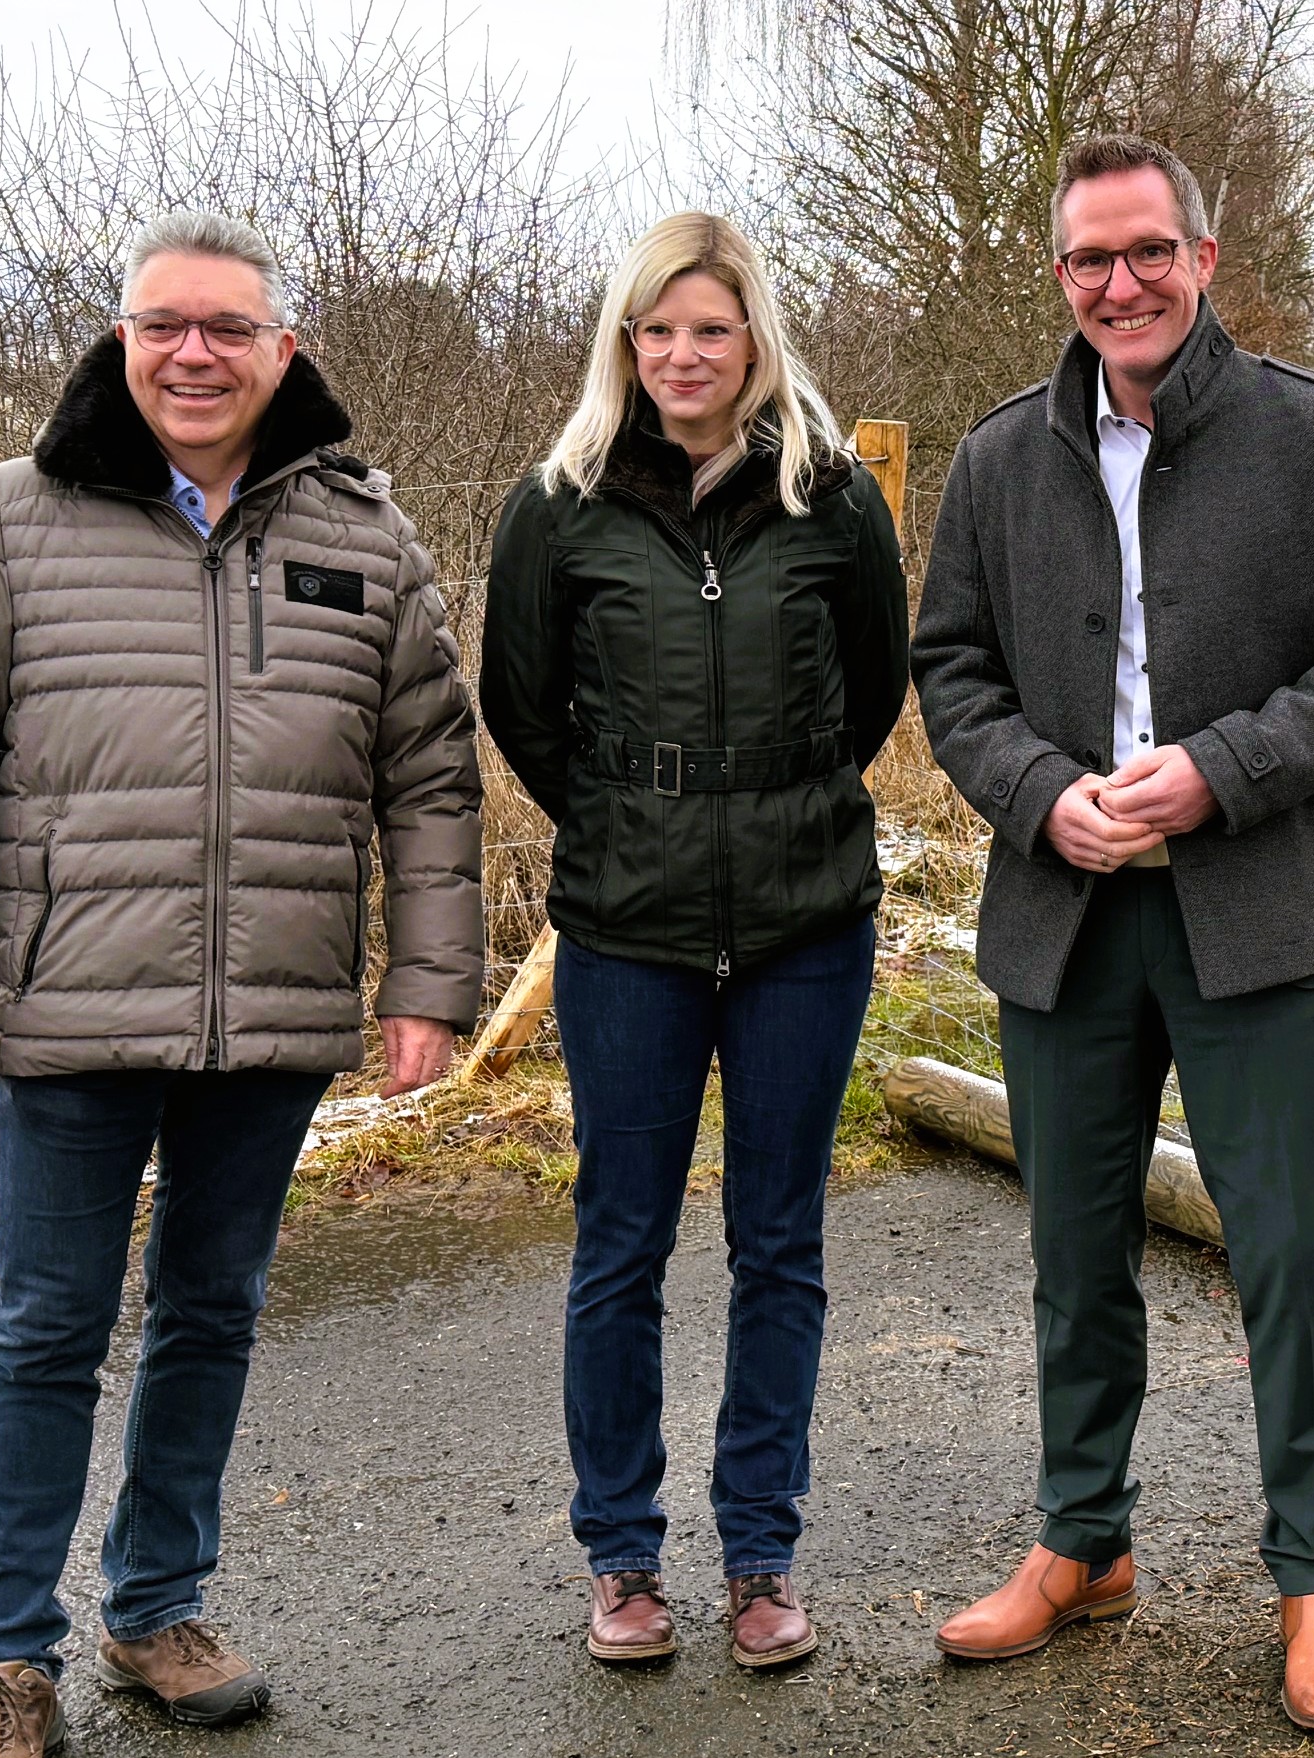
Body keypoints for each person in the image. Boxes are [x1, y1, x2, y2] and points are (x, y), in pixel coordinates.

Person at [0, 211, 483, 1758]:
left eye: (226, 327)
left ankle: (155, 1610)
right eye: (160, 326)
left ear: (285, 346)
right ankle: (9, 1663)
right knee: (46, 1332)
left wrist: (426, 982)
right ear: (120, 341)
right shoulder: (6, 521)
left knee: (213, 1309)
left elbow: (430, 777)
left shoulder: (363, 533)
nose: (192, 354)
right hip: (64, 1007)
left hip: (268, 1009)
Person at [911, 135, 1314, 1729]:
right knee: (1078, 1258)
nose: (1119, 285)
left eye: (1147, 253)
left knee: (1285, 1259)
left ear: (1203, 260)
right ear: (1059, 276)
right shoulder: (1002, 459)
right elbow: (952, 673)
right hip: (1067, 923)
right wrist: (1033, 794)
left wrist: (1223, 770)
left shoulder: (1313, 434)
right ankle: (1086, 1545)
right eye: (1089, 261)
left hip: (1259, 916)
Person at [481, 212, 908, 1670]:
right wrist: (634, 818)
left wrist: (767, 805)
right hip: (630, 935)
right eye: (657, 330)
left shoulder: (834, 497)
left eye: (709, 330)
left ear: (754, 340)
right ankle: (622, 1558)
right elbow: (523, 707)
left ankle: (764, 1553)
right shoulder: (560, 503)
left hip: (804, 926)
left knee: (779, 1246)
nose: (682, 356)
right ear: (625, 341)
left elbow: (872, 693)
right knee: (622, 1245)